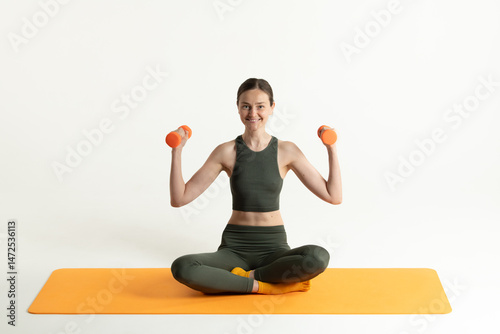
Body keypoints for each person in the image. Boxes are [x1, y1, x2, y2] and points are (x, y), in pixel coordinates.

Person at [169, 78, 342, 294]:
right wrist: (177, 151)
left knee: (317, 257)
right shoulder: (226, 152)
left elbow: (333, 196)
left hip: (274, 249)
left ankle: (246, 278)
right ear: (238, 108)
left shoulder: (286, 151)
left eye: (260, 106)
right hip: (234, 249)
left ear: (271, 108)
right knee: (183, 267)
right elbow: (179, 198)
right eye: (246, 106)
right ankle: (265, 286)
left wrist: (331, 148)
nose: (253, 113)